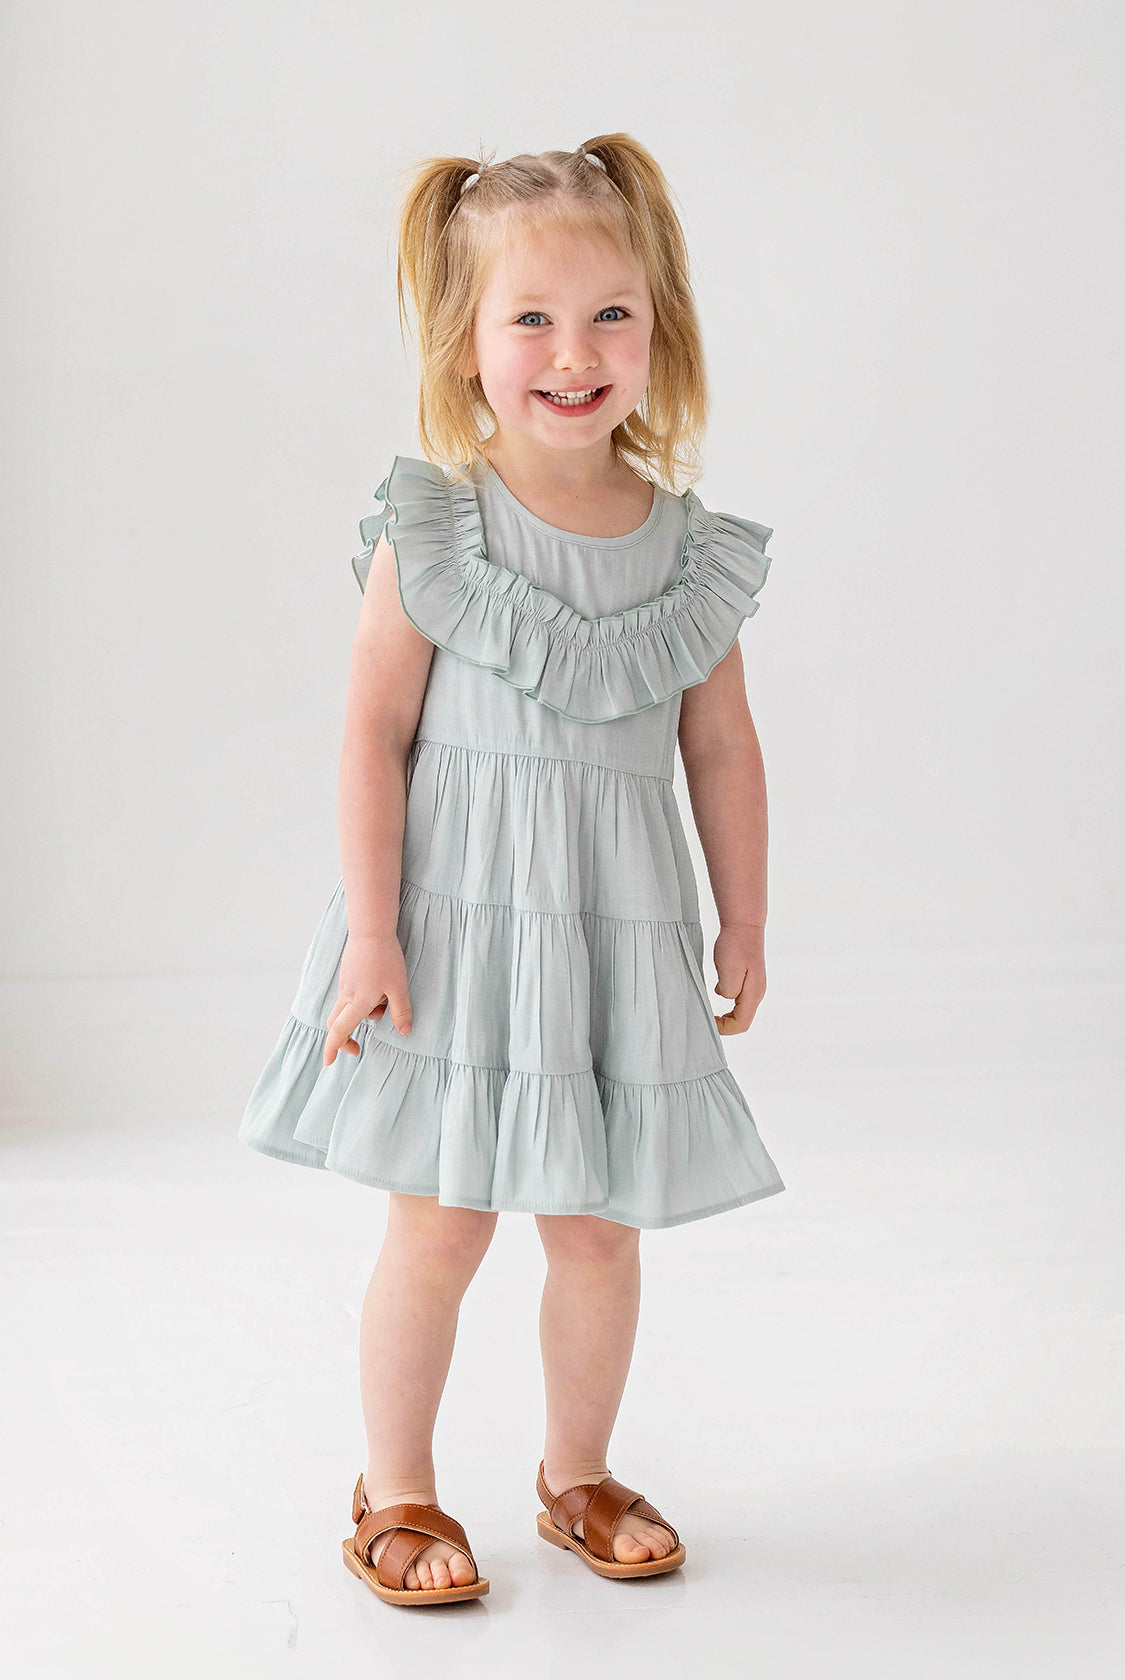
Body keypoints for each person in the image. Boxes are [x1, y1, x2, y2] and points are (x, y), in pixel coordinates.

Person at [238, 132, 786, 1608]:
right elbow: (369, 734)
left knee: (597, 1229)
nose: (572, 351)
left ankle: (576, 1470)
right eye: (530, 319)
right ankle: (396, 1488)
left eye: (609, 312)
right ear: (466, 344)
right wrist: (369, 932)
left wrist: (740, 915)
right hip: (457, 933)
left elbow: (719, 749)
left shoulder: (684, 551)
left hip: (608, 940)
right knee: (441, 1220)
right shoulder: (439, 526)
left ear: (657, 325)